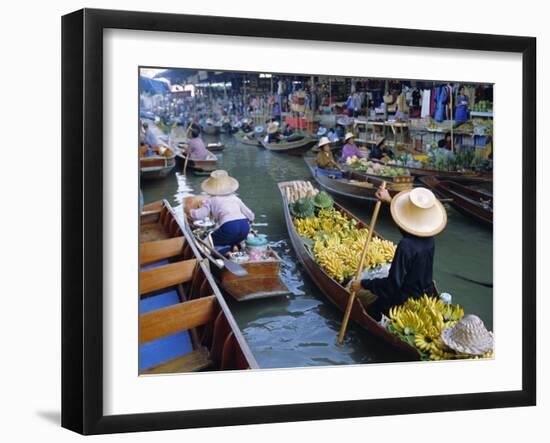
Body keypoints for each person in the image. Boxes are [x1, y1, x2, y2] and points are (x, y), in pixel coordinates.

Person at [350, 186, 447, 320]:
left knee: (372, 309)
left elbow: (391, 286)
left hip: (404, 302)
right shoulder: (429, 239)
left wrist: (363, 284)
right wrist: (389, 200)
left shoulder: (406, 246)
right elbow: (406, 228)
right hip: (425, 295)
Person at [189, 170, 255, 249]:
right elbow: (250, 215)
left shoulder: (210, 200)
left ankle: (226, 250)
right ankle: (235, 246)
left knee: (208, 242)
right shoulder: (235, 198)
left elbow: (200, 215)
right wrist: (251, 219)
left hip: (229, 227)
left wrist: (191, 212)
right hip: (244, 227)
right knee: (233, 239)